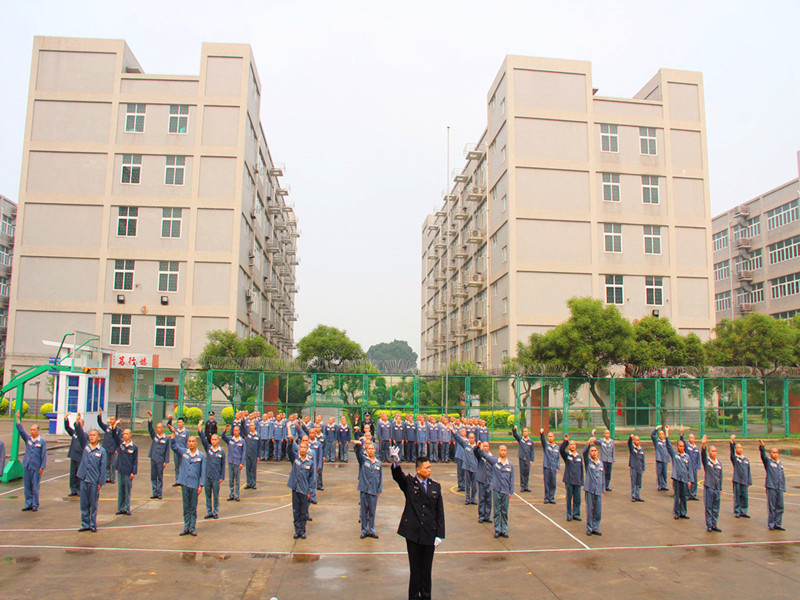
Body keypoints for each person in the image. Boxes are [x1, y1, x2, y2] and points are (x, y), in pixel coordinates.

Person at [391, 447, 445, 600]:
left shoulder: (435, 486)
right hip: (413, 533)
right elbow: (398, 476)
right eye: (426, 468)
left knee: (426, 570)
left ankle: (426, 596)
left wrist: (439, 534)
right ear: (418, 469)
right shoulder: (410, 483)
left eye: (430, 467)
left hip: (429, 533)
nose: (429, 470)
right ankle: (414, 596)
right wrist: (396, 462)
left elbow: (439, 511)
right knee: (415, 570)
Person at [168, 424, 205, 536]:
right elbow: (174, 447)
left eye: (193, 441)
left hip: (194, 485)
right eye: (189, 441)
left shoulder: (201, 456)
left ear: (196, 443)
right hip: (185, 483)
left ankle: (192, 527)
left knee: (193, 507)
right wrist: (173, 435)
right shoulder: (184, 452)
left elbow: (202, 472)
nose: (191, 443)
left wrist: (201, 485)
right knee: (185, 507)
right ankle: (186, 527)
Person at [475, 442, 514, 538]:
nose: (503, 452)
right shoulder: (495, 461)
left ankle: (504, 530)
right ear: (498, 451)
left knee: (504, 511)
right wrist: (481, 447)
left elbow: (512, 479)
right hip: (497, 490)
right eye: (501, 450)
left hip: (505, 491)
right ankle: (497, 529)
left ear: (507, 452)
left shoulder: (510, 465)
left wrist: (511, 491)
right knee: (497, 511)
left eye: (505, 450)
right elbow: (485, 456)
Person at [75, 422, 106, 532]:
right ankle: (85, 524)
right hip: (84, 479)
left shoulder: (101, 451)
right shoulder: (86, 447)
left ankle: (93, 524)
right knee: (84, 503)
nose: (91, 437)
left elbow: (103, 468)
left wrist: (100, 482)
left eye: (93, 435)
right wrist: (77, 423)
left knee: (93, 504)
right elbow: (80, 434)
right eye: (90, 435)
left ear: (98, 438)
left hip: (94, 481)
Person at [16, 413, 46, 512]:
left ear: (38, 431)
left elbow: (43, 455)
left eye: (33, 430)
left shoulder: (41, 441)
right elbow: (21, 431)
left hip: (36, 467)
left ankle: (35, 504)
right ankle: (28, 503)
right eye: (31, 430)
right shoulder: (28, 440)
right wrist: (17, 420)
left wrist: (42, 467)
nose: (31, 432)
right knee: (27, 486)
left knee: (35, 486)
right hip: (27, 465)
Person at [286, 434, 315, 539]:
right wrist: (290, 442)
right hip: (295, 488)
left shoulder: (310, 462)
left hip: (304, 489)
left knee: (303, 512)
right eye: (301, 447)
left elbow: (311, 478)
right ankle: (297, 530)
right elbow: (290, 452)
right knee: (296, 511)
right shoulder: (295, 459)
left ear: (307, 449)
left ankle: (302, 530)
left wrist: (310, 492)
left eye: (304, 447)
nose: (302, 449)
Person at [354, 438, 382, 539]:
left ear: (375, 450)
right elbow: (358, 454)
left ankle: (372, 530)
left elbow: (380, 477)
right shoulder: (363, 460)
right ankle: (364, 530)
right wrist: (358, 446)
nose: (370, 450)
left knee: (372, 511)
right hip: (364, 489)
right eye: (368, 449)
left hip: (374, 490)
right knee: (364, 511)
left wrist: (379, 490)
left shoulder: (378, 463)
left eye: (372, 449)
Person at [197, 420, 225, 520]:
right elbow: (203, 439)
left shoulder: (221, 451)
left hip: (216, 477)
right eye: (212, 440)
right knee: (208, 495)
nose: (213, 441)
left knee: (216, 495)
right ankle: (209, 511)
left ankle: (215, 511)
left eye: (215, 440)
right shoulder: (208, 449)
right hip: (208, 476)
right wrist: (199, 428)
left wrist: (222, 477)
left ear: (218, 440)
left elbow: (223, 465)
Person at [665, 427, 692, 520]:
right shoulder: (674, 455)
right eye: (680, 446)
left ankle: (683, 512)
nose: (681, 448)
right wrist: (667, 433)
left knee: (684, 496)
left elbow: (690, 469)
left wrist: (690, 480)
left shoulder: (687, 456)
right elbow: (668, 446)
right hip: (676, 478)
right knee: (677, 496)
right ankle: (676, 512)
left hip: (684, 479)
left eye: (683, 446)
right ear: (677, 447)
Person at [759, 439, 786, 531]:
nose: (775, 454)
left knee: (780, 506)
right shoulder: (768, 462)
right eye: (773, 453)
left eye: (777, 453)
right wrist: (762, 447)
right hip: (771, 487)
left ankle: (778, 523)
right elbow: (763, 456)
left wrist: (783, 487)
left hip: (779, 488)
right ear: (770, 454)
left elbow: (782, 476)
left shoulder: (780, 464)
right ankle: (771, 524)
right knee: (772, 507)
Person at [583, 438, 605, 536]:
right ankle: (589, 528)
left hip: (598, 490)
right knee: (590, 509)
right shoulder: (588, 462)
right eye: (592, 451)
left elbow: (602, 477)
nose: (594, 452)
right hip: (590, 489)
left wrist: (603, 490)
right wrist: (588, 444)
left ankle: (596, 527)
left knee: (598, 510)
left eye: (595, 451)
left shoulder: (601, 463)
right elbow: (584, 453)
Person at [701, 435, 722, 533]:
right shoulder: (707, 462)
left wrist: (720, 488)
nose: (714, 453)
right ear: (709, 452)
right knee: (709, 507)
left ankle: (714, 524)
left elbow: (720, 476)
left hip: (716, 488)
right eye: (712, 451)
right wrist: (704, 444)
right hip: (709, 487)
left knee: (716, 508)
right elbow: (703, 456)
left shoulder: (719, 463)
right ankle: (709, 525)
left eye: (715, 451)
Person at [146, 411, 170, 499]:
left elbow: (167, 451)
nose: (158, 429)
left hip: (160, 459)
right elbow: (150, 429)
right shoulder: (155, 436)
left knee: (160, 477)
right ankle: (154, 492)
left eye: (159, 427)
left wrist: (165, 461)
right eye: (157, 427)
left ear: (162, 428)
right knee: (153, 476)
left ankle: (159, 493)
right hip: (153, 458)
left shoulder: (166, 438)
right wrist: (150, 418)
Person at [559, 434, 583, 522]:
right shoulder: (567, 456)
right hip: (569, 480)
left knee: (577, 499)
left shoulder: (579, 457)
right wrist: (565, 441)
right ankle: (569, 514)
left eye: (574, 444)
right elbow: (561, 450)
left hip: (577, 481)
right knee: (569, 499)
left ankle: (576, 514)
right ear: (569, 447)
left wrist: (581, 481)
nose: (572, 446)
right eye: (571, 444)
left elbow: (581, 469)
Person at [452, 427, 479, 505]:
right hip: (467, 467)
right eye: (470, 438)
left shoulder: (477, 447)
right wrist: (453, 430)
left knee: (474, 485)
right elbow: (458, 439)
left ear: (474, 438)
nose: (471, 439)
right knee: (467, 484)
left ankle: (473, 499)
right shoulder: (466, 444)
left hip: (474, 467)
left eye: (472, 438)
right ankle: (467, 499)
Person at [114, 428, 138, 516]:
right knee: (121, 489)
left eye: (127, 434)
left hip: (128, 471)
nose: (125, 435)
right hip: (121, 469)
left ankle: (127, 508)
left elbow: (135, 461)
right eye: (124, 434)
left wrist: (133, 472)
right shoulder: (121, 445)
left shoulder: (134, 447)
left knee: (127, 490)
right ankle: (120, 507)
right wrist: (115, 426)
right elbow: (115, 437)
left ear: (130, 435)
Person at [729, 434, 752, 518]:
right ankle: (737, 511)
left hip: (744, 480)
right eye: (738, 448)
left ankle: (744, 511)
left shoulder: (746, 460)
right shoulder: (735, 458)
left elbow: (748, 471)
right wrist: (732, 442)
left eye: (741, 448)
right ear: (736, 449)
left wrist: (749, 481)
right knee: (737, 496)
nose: (740, 449)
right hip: (737, 479)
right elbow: (731, 453)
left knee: (745, 496)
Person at [221, 424, 245, 501]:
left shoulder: (242, 441)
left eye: (237, 430)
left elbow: (243, 452)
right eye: (234, 430)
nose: (235, 432)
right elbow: (223, 436)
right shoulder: (230, 439)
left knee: (237, 480)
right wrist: (225, 430)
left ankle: (237, 495)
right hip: (231, 461)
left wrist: (242, 463)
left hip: (237, 462)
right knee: (231, 479)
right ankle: (231, 494)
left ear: (239, 431)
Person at [64, 412, 83, 496]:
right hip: (73, 456)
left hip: (80, 457)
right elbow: (67, 428)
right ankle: (73, 489)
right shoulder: (74, 433)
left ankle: (79, 489)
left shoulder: (84, 435)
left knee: (79, 474)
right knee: (72, 474)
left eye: (78, 423)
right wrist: (66, 419)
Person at [97, 414, 121, 484]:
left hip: (113, 449)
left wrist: (117, 449)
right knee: (106, 464)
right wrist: (99, 415)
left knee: (113, 465)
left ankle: (113, 478)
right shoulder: (107, 428)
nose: (111, 421)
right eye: (110, 419)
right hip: (106, 448)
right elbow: (100, 423)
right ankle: (107, 477)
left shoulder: (118, 429)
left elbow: (118, 440)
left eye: (112, 419)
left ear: (115, 420)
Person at [680, 426, 701, 501]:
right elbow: (681, 441)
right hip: (688, 466)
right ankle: (687, 494)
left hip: (694, 467)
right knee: (688, 481)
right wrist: (682, 433)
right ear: (688, 439)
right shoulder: (687, 446)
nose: (692, 439)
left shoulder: (696, 448)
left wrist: (698, 466)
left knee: (694, 481)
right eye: (690, 437)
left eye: (693, 438)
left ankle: (693, 494)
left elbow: (698, 458)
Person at [540, 428, 561, 504]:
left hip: (554, 467)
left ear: (554, 437)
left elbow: (558, 458)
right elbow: (542, 441)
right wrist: (542, 434)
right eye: (549, 436)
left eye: (551, 436)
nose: (550, 438)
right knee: (547, 482)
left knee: (553, 483)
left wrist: (558, 467)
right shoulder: (546, 445)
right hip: (547, 466)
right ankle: (546, 497)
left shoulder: (557, 447)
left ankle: (551, 497)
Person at [474, 441, 493, 523]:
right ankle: (481, 515)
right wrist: (477, 447)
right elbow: (474, 451)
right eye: (484, 446)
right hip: (481, 479)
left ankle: (487, 516)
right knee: (481, 498)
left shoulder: (491, 457)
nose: (485, 447)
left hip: (489, 481)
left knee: (488, 500)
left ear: (489, 447)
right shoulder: (480, 456)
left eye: (486, 446)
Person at [512, 425, 535, 493]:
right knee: (522, 472)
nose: (525, 433)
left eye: (526, 431)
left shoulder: (531, 441)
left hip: (528, 459)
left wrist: (531, 460)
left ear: (528, 432)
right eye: (524, 431)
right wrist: (514, 429)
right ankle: (522, 486)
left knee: (527, 472)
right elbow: (515, 435)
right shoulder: (521, 439)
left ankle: (526, 486)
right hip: (522, 458)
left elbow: (532, 451)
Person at [167, 416, 189, 485]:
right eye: (178, 422)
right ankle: (177, 480)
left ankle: (184, 480)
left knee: (183, 466)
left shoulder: (186, 431)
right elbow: (169, 426)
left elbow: (187, 442)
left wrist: (187, 451)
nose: (179, 424)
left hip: (183, 451)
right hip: (176, 451)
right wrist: (170, 419)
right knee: (176, 466)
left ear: (183, 423)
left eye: (180, 422)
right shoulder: (175, 430)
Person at [627, 434, 646, 502]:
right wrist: (630, 438)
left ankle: (638, 495)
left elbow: (643, 459)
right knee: (633, 482)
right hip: (634, 467)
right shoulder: (632, 448)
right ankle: (633, 496)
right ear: (634, 441)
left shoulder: (641, 449)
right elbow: (629, 444)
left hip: (639, 467)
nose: (637, 441)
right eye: (636, 440)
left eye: (638, 440)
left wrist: (643, 468)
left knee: (639, 482)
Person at [650, 425, 669, 491]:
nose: (661, 435)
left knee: (665, 473)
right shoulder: (657, 442)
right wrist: (656, 429)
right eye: (660, 434)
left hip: (665, 459)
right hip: (659, 459)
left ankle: (664, 485)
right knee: (659, 473)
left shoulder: (666, 442)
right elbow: (652, 435)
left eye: (662, 434)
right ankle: (659, 485)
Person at [243, 420, 259, 490]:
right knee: (248, 469)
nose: (250, 427)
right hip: (248, 454)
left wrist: (258, 456)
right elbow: (242, 428)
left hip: (254, 454)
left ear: (255, 426)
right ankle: (248, 483)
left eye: (252, 425)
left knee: (254, 470)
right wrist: (243, 420)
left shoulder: (258, 435)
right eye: (249, 426)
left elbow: (259, 446)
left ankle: (253, 483)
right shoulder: (248, 434)